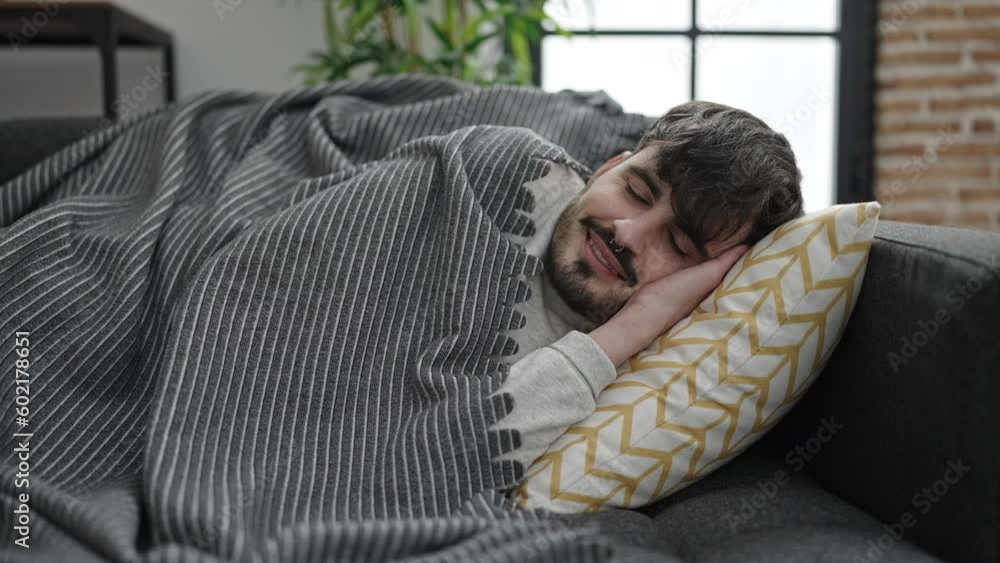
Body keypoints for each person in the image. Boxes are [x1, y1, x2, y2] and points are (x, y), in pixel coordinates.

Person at [490, 100, 806, 472]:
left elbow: (444, 462)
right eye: (635, 192)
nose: (627, 232)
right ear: (609, 167)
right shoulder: (505, 175)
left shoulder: (639, 376)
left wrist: (630, 329)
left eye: (678, 245)